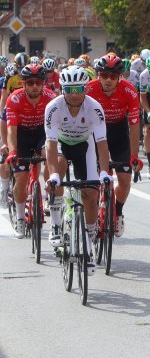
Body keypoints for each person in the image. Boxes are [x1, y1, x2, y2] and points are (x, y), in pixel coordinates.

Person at [44, 66, 112, 273]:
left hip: (86, 147)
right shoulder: (53, 108)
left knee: (91, 193)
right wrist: (54, 173)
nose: (75, 94)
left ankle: (89, 240)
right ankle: (56, 224)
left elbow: (101, 142)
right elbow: (50, 144)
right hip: (62, 147)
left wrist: (104, 172)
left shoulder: (94, 107)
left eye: (79, 89)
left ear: (86, 89)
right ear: (62, 89)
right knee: (57, 178)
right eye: (70, 89)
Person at [85, 53, 142, 238]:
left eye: (113, 77)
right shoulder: (88, 89)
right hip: (95, 133)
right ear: (98, 75)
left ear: (120, 77)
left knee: (125, 180)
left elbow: (134, 125)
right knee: (94, 181)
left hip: (119, 133)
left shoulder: (130, 91)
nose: (108, 80)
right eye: (104, 75)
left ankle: (117, 212)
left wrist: (134, 156)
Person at [4, 64, 57, 238]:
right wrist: (12, 152)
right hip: (22, 137)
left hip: (42, 134)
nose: (35, 86)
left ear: (44, 83)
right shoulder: (14, 98)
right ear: (24, 83)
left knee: (50, 157)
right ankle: (20, 218)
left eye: (38, 82)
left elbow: (56, 129)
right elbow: (11, 130)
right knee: (21, 178)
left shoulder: (51, 97)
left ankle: (50, 190)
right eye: (31, 82)